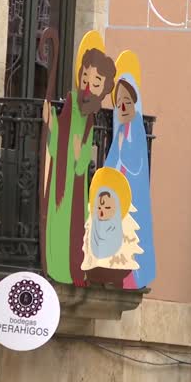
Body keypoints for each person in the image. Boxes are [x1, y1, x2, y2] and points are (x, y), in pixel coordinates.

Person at [41, 31, 117, 286]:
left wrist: (78, 152)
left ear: (102, 88)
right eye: (85, 77)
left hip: (75, 183)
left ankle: (68, 268)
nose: (87, 85)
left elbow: (85, 156)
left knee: (72, 228)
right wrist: (51, 120)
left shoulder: (90, 117)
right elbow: (57, 134)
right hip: (60, 183)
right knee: (57, 223)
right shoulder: (72, 104)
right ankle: (53, 262)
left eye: (95, 83)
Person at [104, 52, 156, 289]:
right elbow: (111, 164)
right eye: (119, 102)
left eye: (127, 101)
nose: (123, 107)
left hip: (130, 198)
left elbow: (134, 165)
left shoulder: (136, 136)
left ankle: (130, 276)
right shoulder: (120, 136)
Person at [81, 167, 142, 287]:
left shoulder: (122, 233)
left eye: (107, 208)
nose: (102, 212)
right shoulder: (93, 230)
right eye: (99, 208)